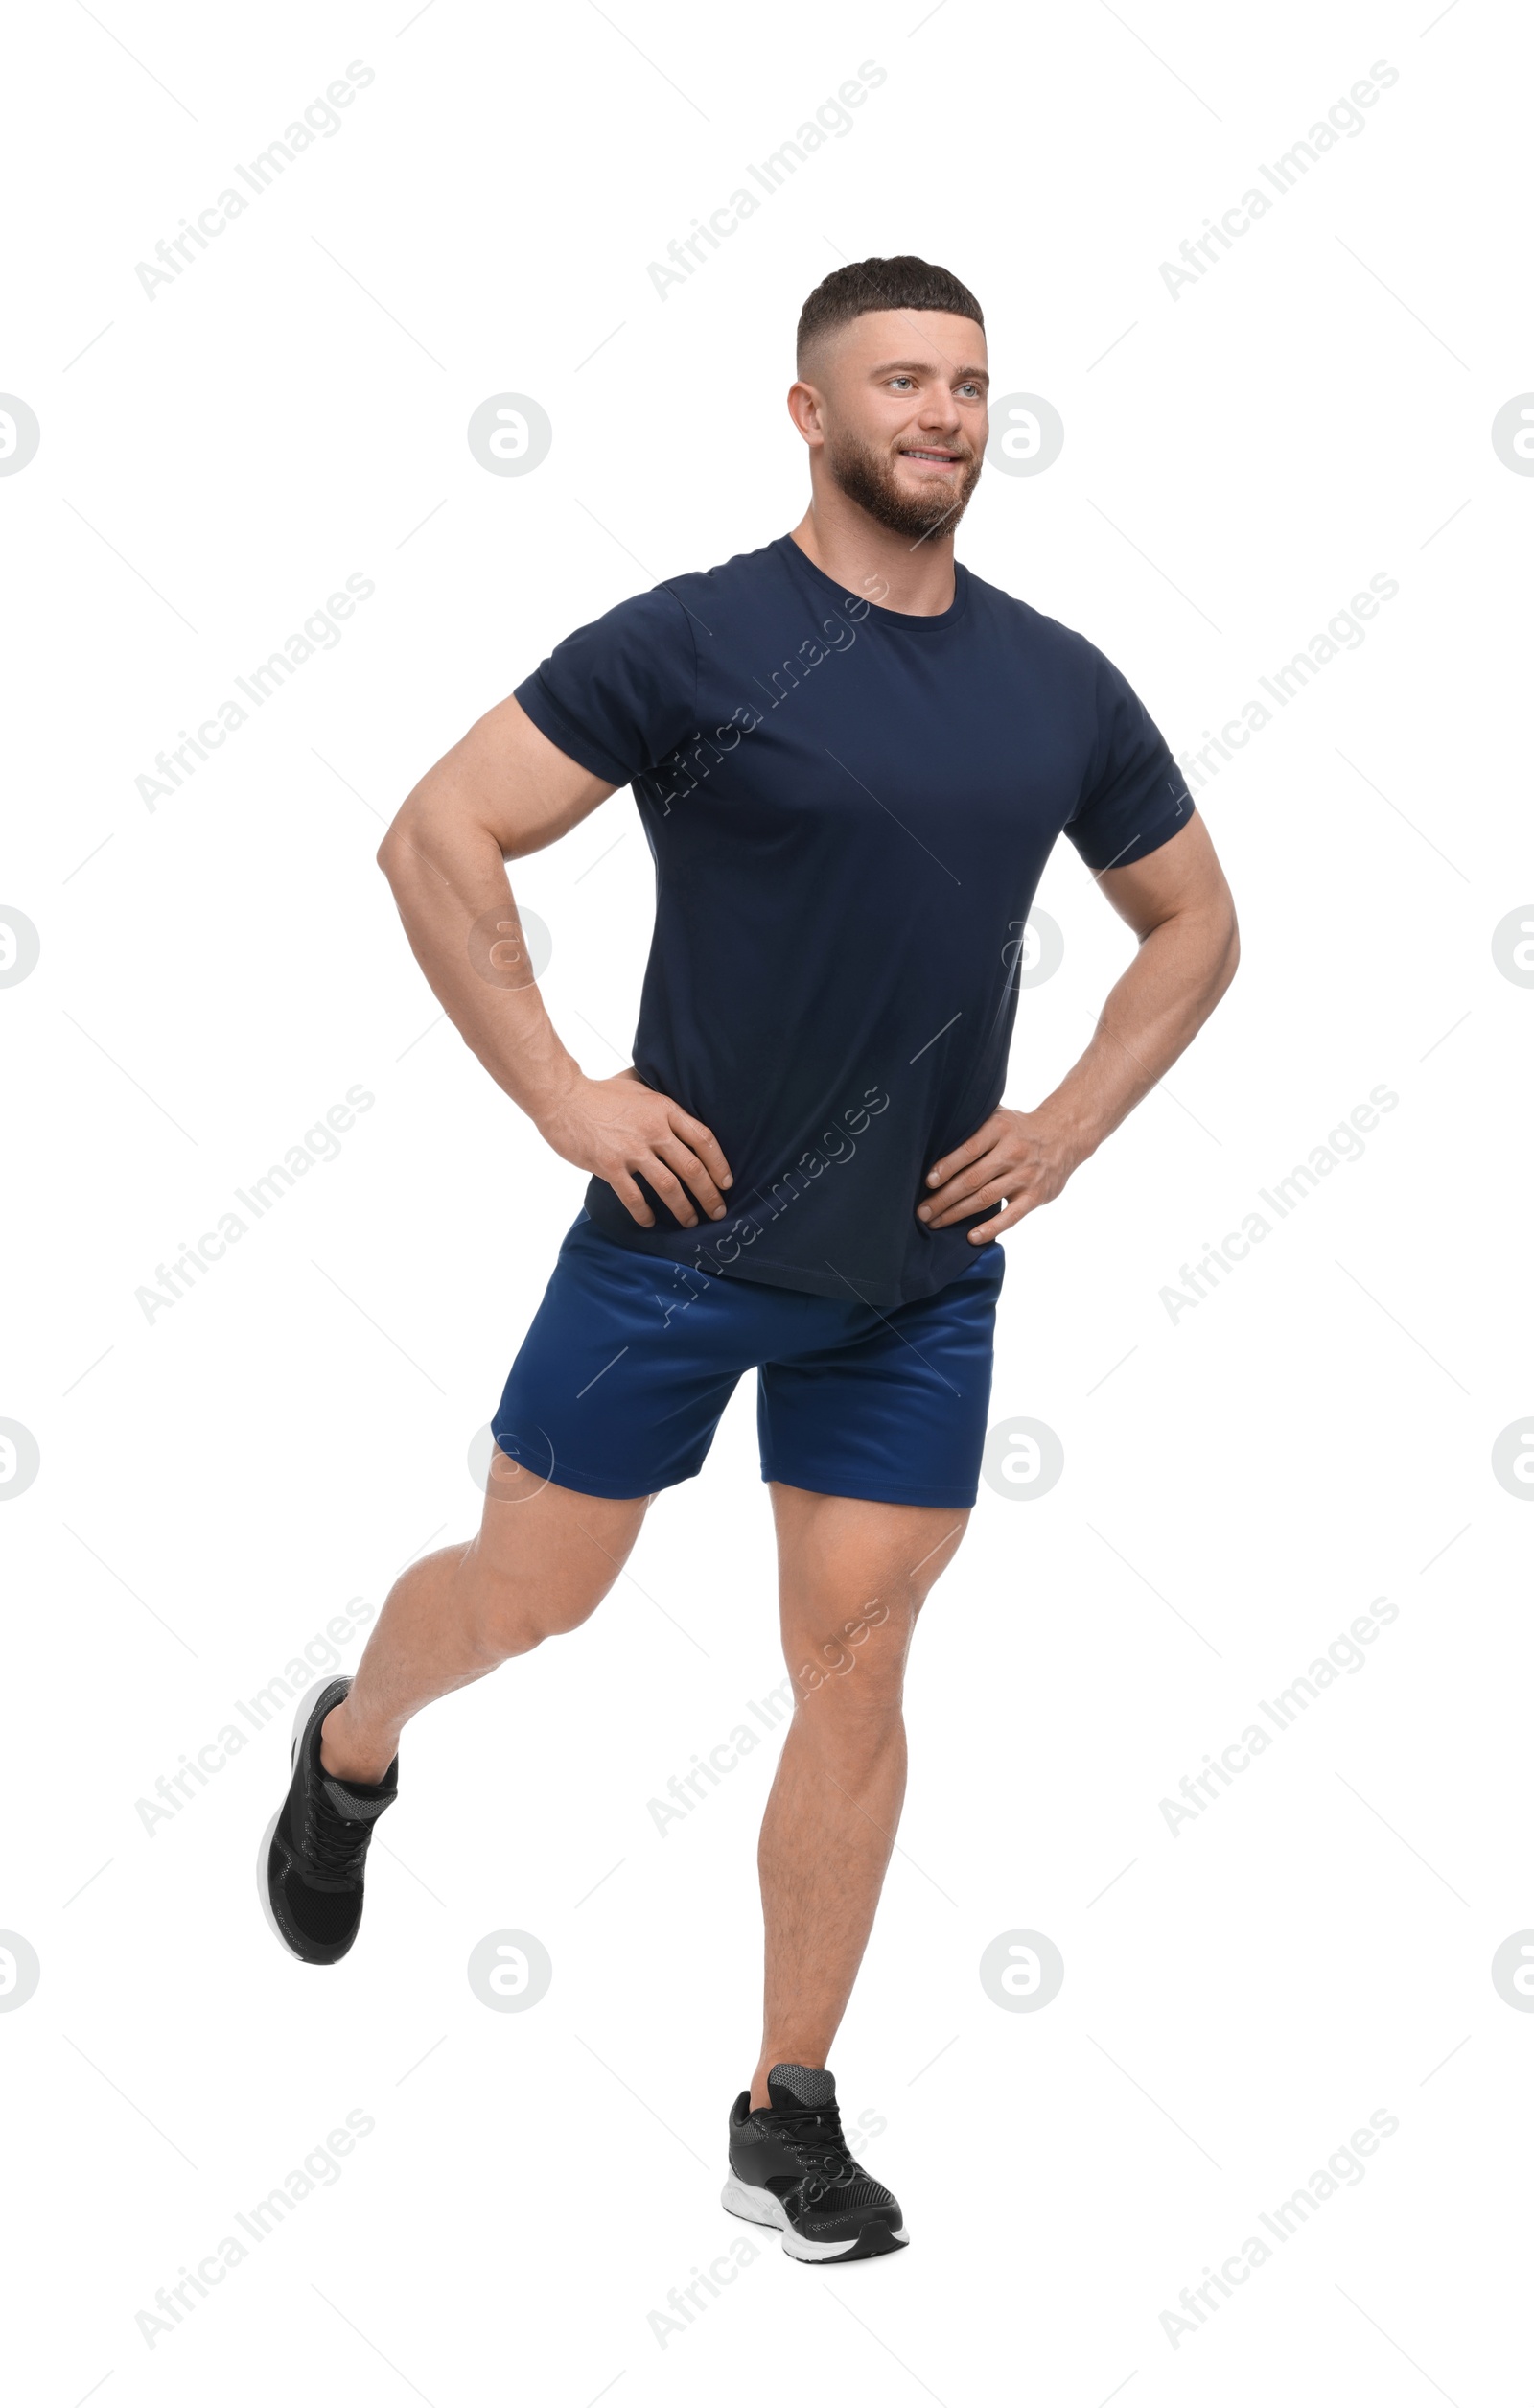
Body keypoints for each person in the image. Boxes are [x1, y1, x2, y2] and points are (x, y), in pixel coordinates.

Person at [261, 254, 1238, 2263]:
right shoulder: (698, 637)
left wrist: (1060, 1123)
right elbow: (440, 831)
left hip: (913, 1273)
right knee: (533, 1599)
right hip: (674, 1241)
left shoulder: (1057, 679)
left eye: (967, 382)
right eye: (899, 380)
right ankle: (356, 1737)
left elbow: (1193, 922)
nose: (942, 413)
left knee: (856, 1659)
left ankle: (783, 2104)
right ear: (808, 412)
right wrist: (560, 1093)